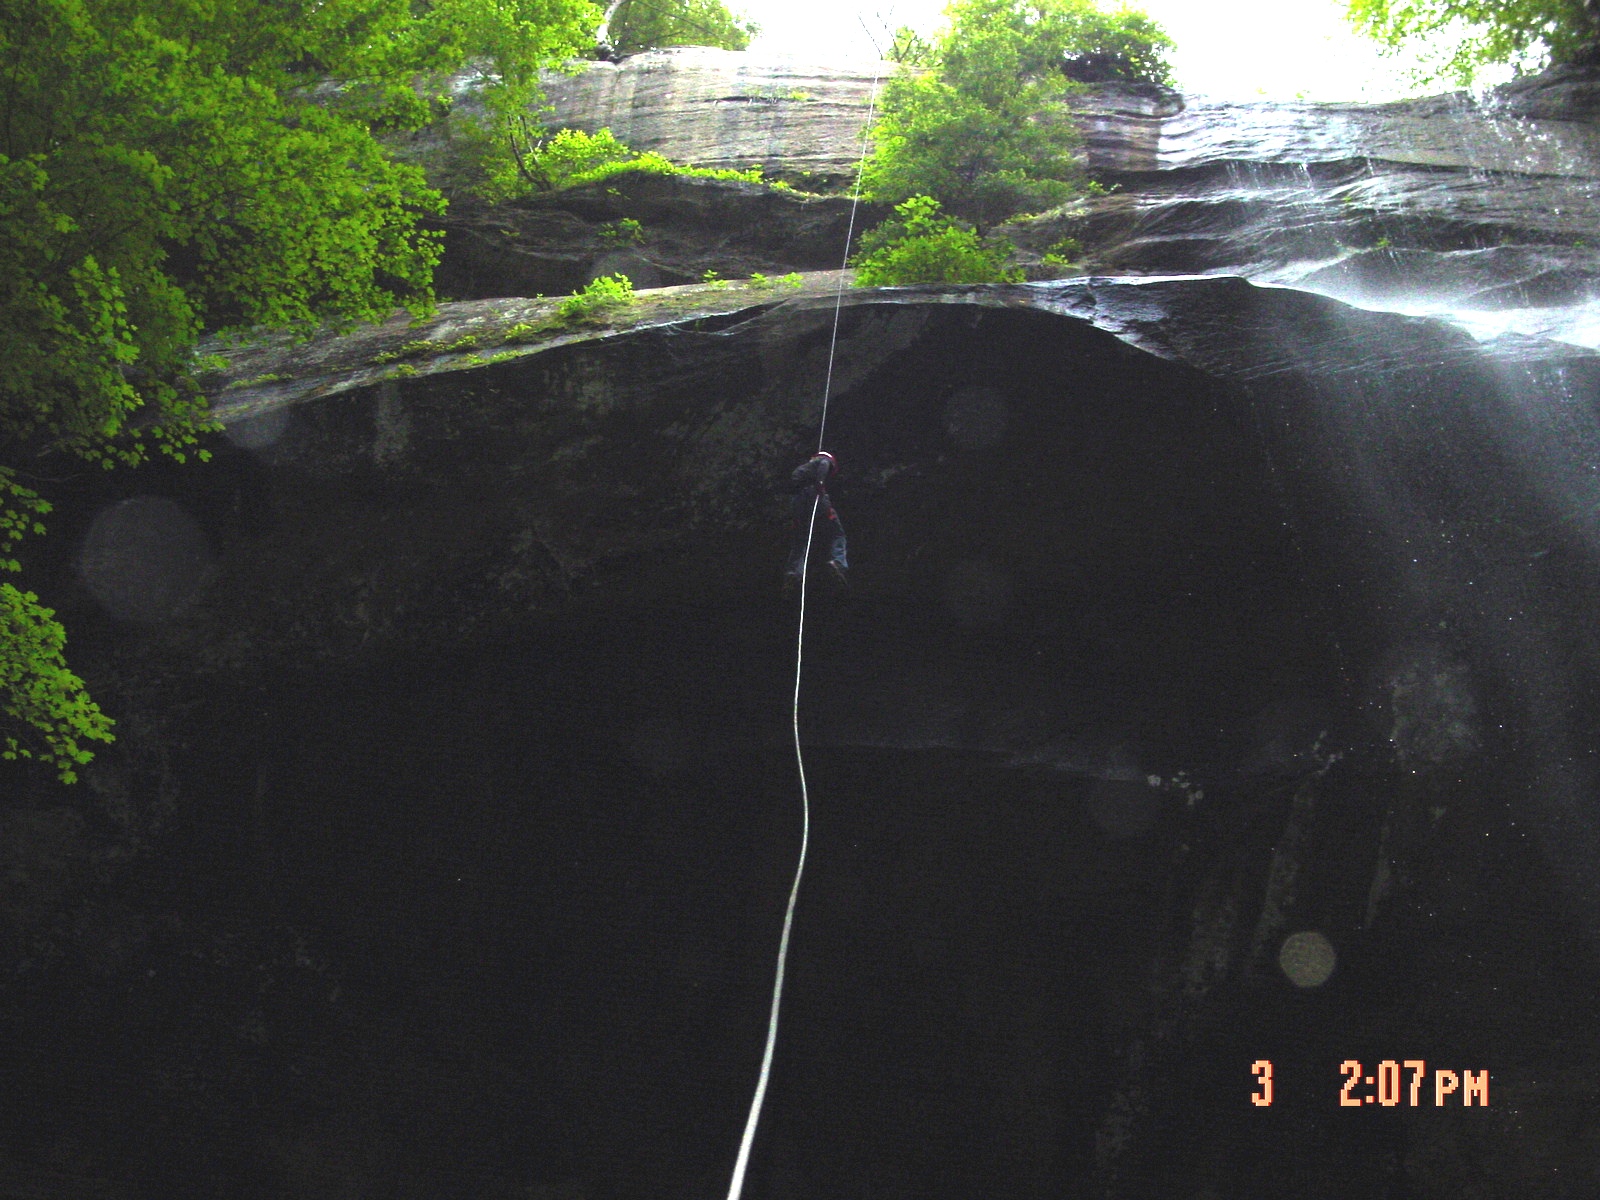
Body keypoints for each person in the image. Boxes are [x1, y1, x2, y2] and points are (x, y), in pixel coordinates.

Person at [784, 451, 848, 591]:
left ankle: (794, 572)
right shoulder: (824, 461)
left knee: (800, 540)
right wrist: (819, 484)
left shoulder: (801, 469)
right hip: (815, 497)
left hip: (798, 502)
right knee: (837, 533)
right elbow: (825, 464)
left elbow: (792, 483)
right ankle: (838, 562)